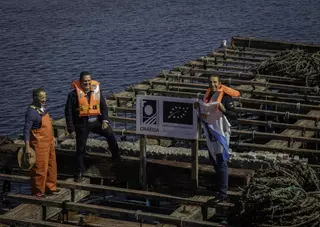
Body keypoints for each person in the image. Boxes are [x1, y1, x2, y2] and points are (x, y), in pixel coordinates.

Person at [65, 71, 121, 182]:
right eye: (84, 81)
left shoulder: (96, 92)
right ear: (80, 82)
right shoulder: (73, 95)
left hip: (96, 122)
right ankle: (80, 171)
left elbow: (104, 107)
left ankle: (116, 157)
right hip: (82, 124)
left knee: (110, 133)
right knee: (80, 148)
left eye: (88, 81)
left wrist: (105, 120)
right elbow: (68, 112)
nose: (87, 83)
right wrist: (71, 129)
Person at [195, 75, 240, 203]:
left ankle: (223, 193)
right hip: (210, 133)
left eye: (215, 82)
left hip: (221, 133)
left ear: (220, 83)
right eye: (210, 82)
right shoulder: (207, 97)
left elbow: (234, 115)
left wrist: (223, 109)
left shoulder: (225, 97)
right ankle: (219, 186)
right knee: (214, 160)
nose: (213, 85)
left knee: (221, 162)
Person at [23, 88, 59, 197]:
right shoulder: (31, 112)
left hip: (49, 142)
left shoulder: (42, 109)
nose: (44, 99)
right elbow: (26, 130)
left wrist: (53, 137)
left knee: (51, 166)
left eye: (45, 97)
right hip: (39, 145)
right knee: (40, 169)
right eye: (41, 97)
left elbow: (48, 125)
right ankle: (38, 192)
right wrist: (27, 147)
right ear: (35, 98)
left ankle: (50, 187)